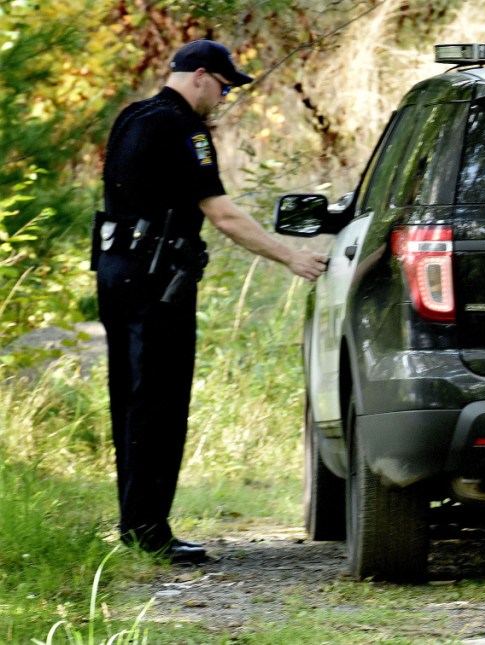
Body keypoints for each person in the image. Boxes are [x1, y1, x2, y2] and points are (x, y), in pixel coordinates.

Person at [94, 39, 327, 564]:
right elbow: (223, 215)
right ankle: (149, 532)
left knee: (130, 402)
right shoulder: (184, 129)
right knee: (160, 403)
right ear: (200, 75)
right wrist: (290, 257)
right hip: (157, 282)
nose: (222, 97)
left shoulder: (132, 116)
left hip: (117, 272)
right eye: (222, 86)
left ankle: (137, 525)